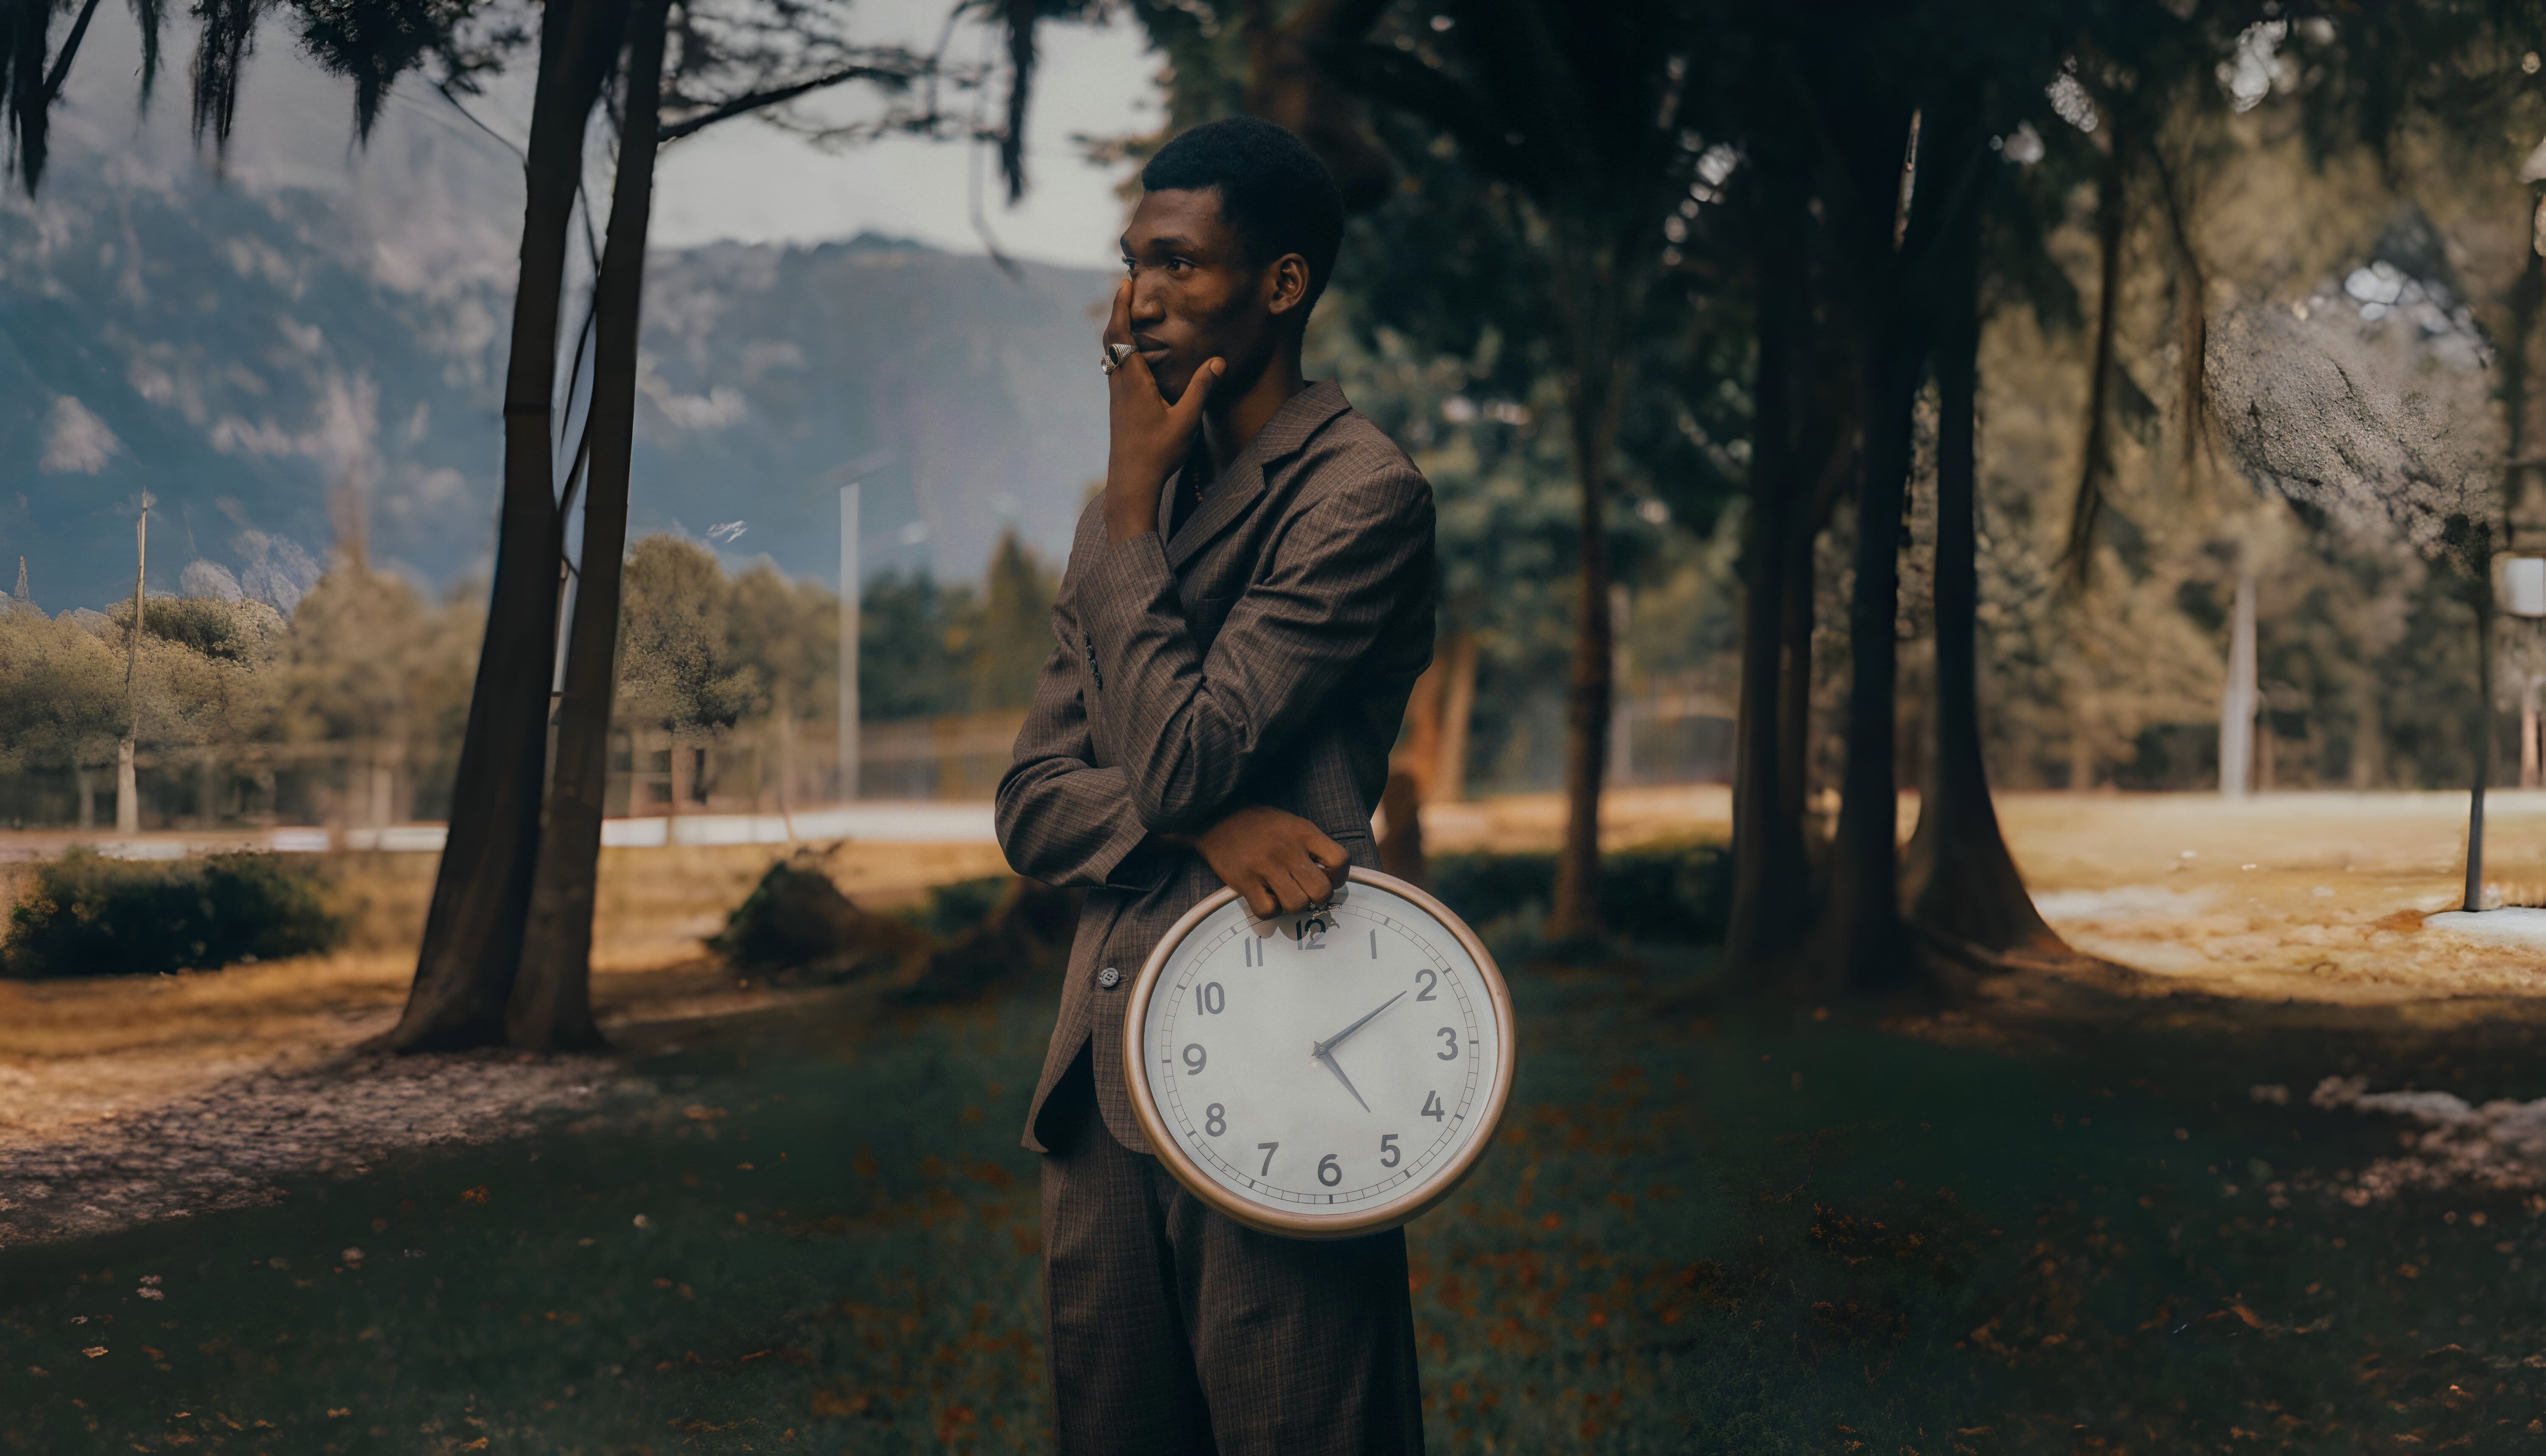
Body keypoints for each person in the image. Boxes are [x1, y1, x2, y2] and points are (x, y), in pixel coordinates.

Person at [994, 115, 1437, 1455]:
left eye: (1180, 266)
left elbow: (1175, 749)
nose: (1140, 305)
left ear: (1283, 285)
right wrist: (1220, 822)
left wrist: (1131, 519)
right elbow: (1029, 801)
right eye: (1133, 264)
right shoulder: (1126, 509)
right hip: (1100, 1087)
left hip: (1291, 1063)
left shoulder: (1361, 497)